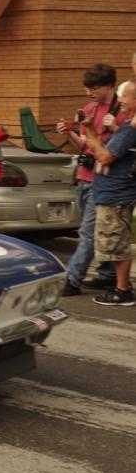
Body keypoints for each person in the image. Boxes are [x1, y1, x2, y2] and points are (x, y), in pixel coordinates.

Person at [56, 64, 121, 295]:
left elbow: (117, 148)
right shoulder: (89, 108)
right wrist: (70, 132)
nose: (89, 93)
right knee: (94, 231)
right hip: (84, 176)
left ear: (110, 85)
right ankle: (106, 274)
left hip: (103, 179)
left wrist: (111, 127)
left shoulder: (121, 111)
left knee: (88, 232)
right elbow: (83, 147)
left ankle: (73, 279)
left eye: (94, 88)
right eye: (87, 88)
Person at [80, 77, 136, 306]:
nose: (120, 100)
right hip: (112, 193)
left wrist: (89, 132)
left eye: (125, 96)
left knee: (116, 243)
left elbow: (104, 156)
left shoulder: (129, 129)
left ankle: (122, 290)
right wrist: (92, 127)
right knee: (114, 243)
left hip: (116, 194)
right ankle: (121, 286)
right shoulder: (126, 127)